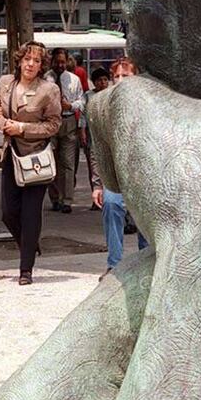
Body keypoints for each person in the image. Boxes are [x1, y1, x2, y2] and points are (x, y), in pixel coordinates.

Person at [0, 41, 61, 285]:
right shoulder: (5, 83)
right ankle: (29, 244)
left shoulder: (48, 90)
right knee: (8, 213)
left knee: (31, 213)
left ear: (42, 65)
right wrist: (2, 124)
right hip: (11, 155)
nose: (31, 64)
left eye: (37, 61)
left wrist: (22, 128)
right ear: (19, 60)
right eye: (27, 59)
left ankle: (25, 269)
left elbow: (53, 125)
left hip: (35, 158)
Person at [90, 58, 150, 277]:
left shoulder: (148, 105)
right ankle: (114, 264)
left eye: (126, 75)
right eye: (117, 76)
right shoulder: (103, 106)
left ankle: (147, 262)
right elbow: (97, 149)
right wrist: (98, 184)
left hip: (142, 175)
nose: (121, 80)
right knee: (112, 205)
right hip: (115, 176)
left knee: (144, 218)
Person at [47, 48, 84, 214]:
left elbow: (82, 101)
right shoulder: (45, 79)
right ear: (52, 61)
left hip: (69, 122)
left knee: (68, 163)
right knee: (52, 162)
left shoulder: (74, 80)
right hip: (50, 123)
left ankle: (67, 200)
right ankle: (55, 198)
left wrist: (70, 106)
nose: (60, 65)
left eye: (63, 62)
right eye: (57, 62)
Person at [82, 67, 110, 209]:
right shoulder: (88, 96)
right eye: (99, 80)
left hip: (109, 139)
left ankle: (108, 197)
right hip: (94, 138)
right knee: (95, 169)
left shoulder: (112, 94)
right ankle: (97, 198)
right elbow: (83, 115)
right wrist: (82, 132)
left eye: (105, 80)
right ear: (94, 82)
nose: (103, 83)